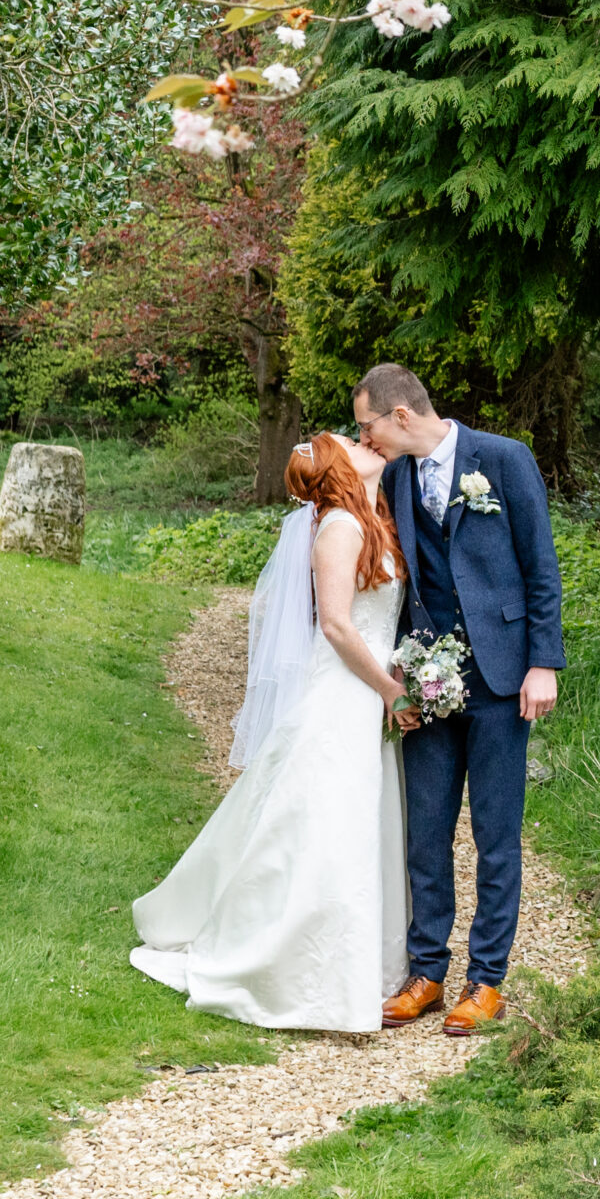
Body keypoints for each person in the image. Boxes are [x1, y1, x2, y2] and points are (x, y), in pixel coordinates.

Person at [128, 433, 409, 1031]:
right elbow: (335, 625)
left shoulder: (372, 519)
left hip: (368, 686)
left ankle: (360, 963)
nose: (365, 444)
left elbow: (375, 617)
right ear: (339, 469)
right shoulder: (338, 529)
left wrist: (399, 669)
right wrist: (389, 688)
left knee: (356, 819)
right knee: (326, 823)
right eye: (351, 443)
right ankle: (300, 969)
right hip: (343, 691)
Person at [353, 364, 563, 1037]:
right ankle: (427, 973)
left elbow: (541, 566)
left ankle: (486, 980)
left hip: (503, 680)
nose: (366, 437)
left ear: (402, 416)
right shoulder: (395, 477)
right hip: (427, 682)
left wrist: (542, 662)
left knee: (496, 837)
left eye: (369, 425)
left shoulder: (502, 460)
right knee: (427, 833)